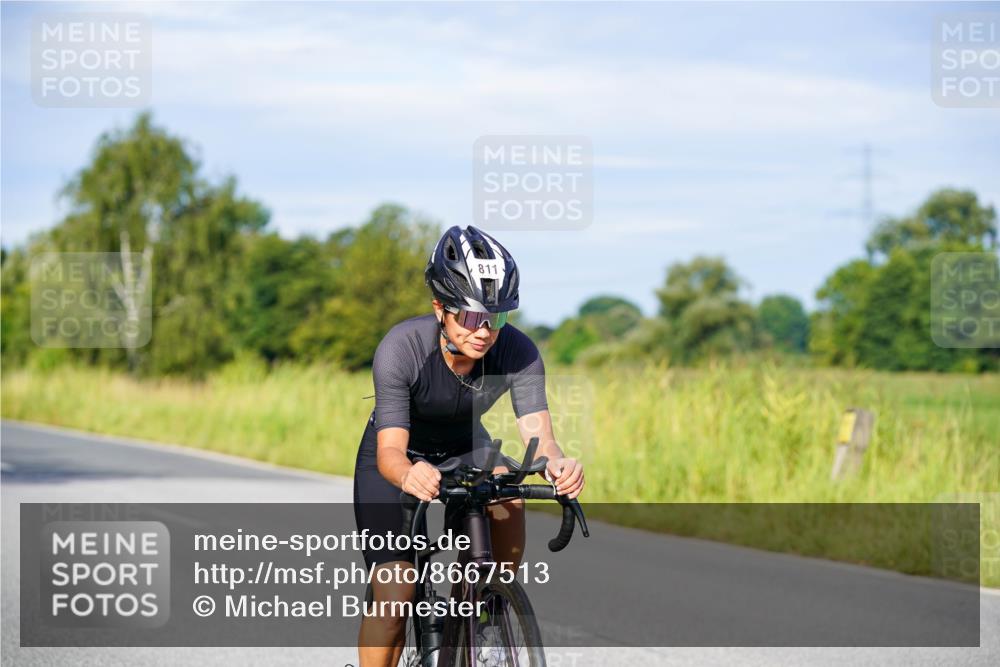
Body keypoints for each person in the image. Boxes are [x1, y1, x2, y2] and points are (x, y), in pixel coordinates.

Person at [353, 225, 585, 667]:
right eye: (473, 317)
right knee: (396, 594)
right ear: (440, 307)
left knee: (507, 493)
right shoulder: (402, 348)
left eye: (496, 318)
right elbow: (390, 453)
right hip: (398, 453)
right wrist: (407, 474)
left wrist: (558, 465)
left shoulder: (519, 352)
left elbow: (541, 439)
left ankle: (484, 612)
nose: (485, 331)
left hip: (464, 445)